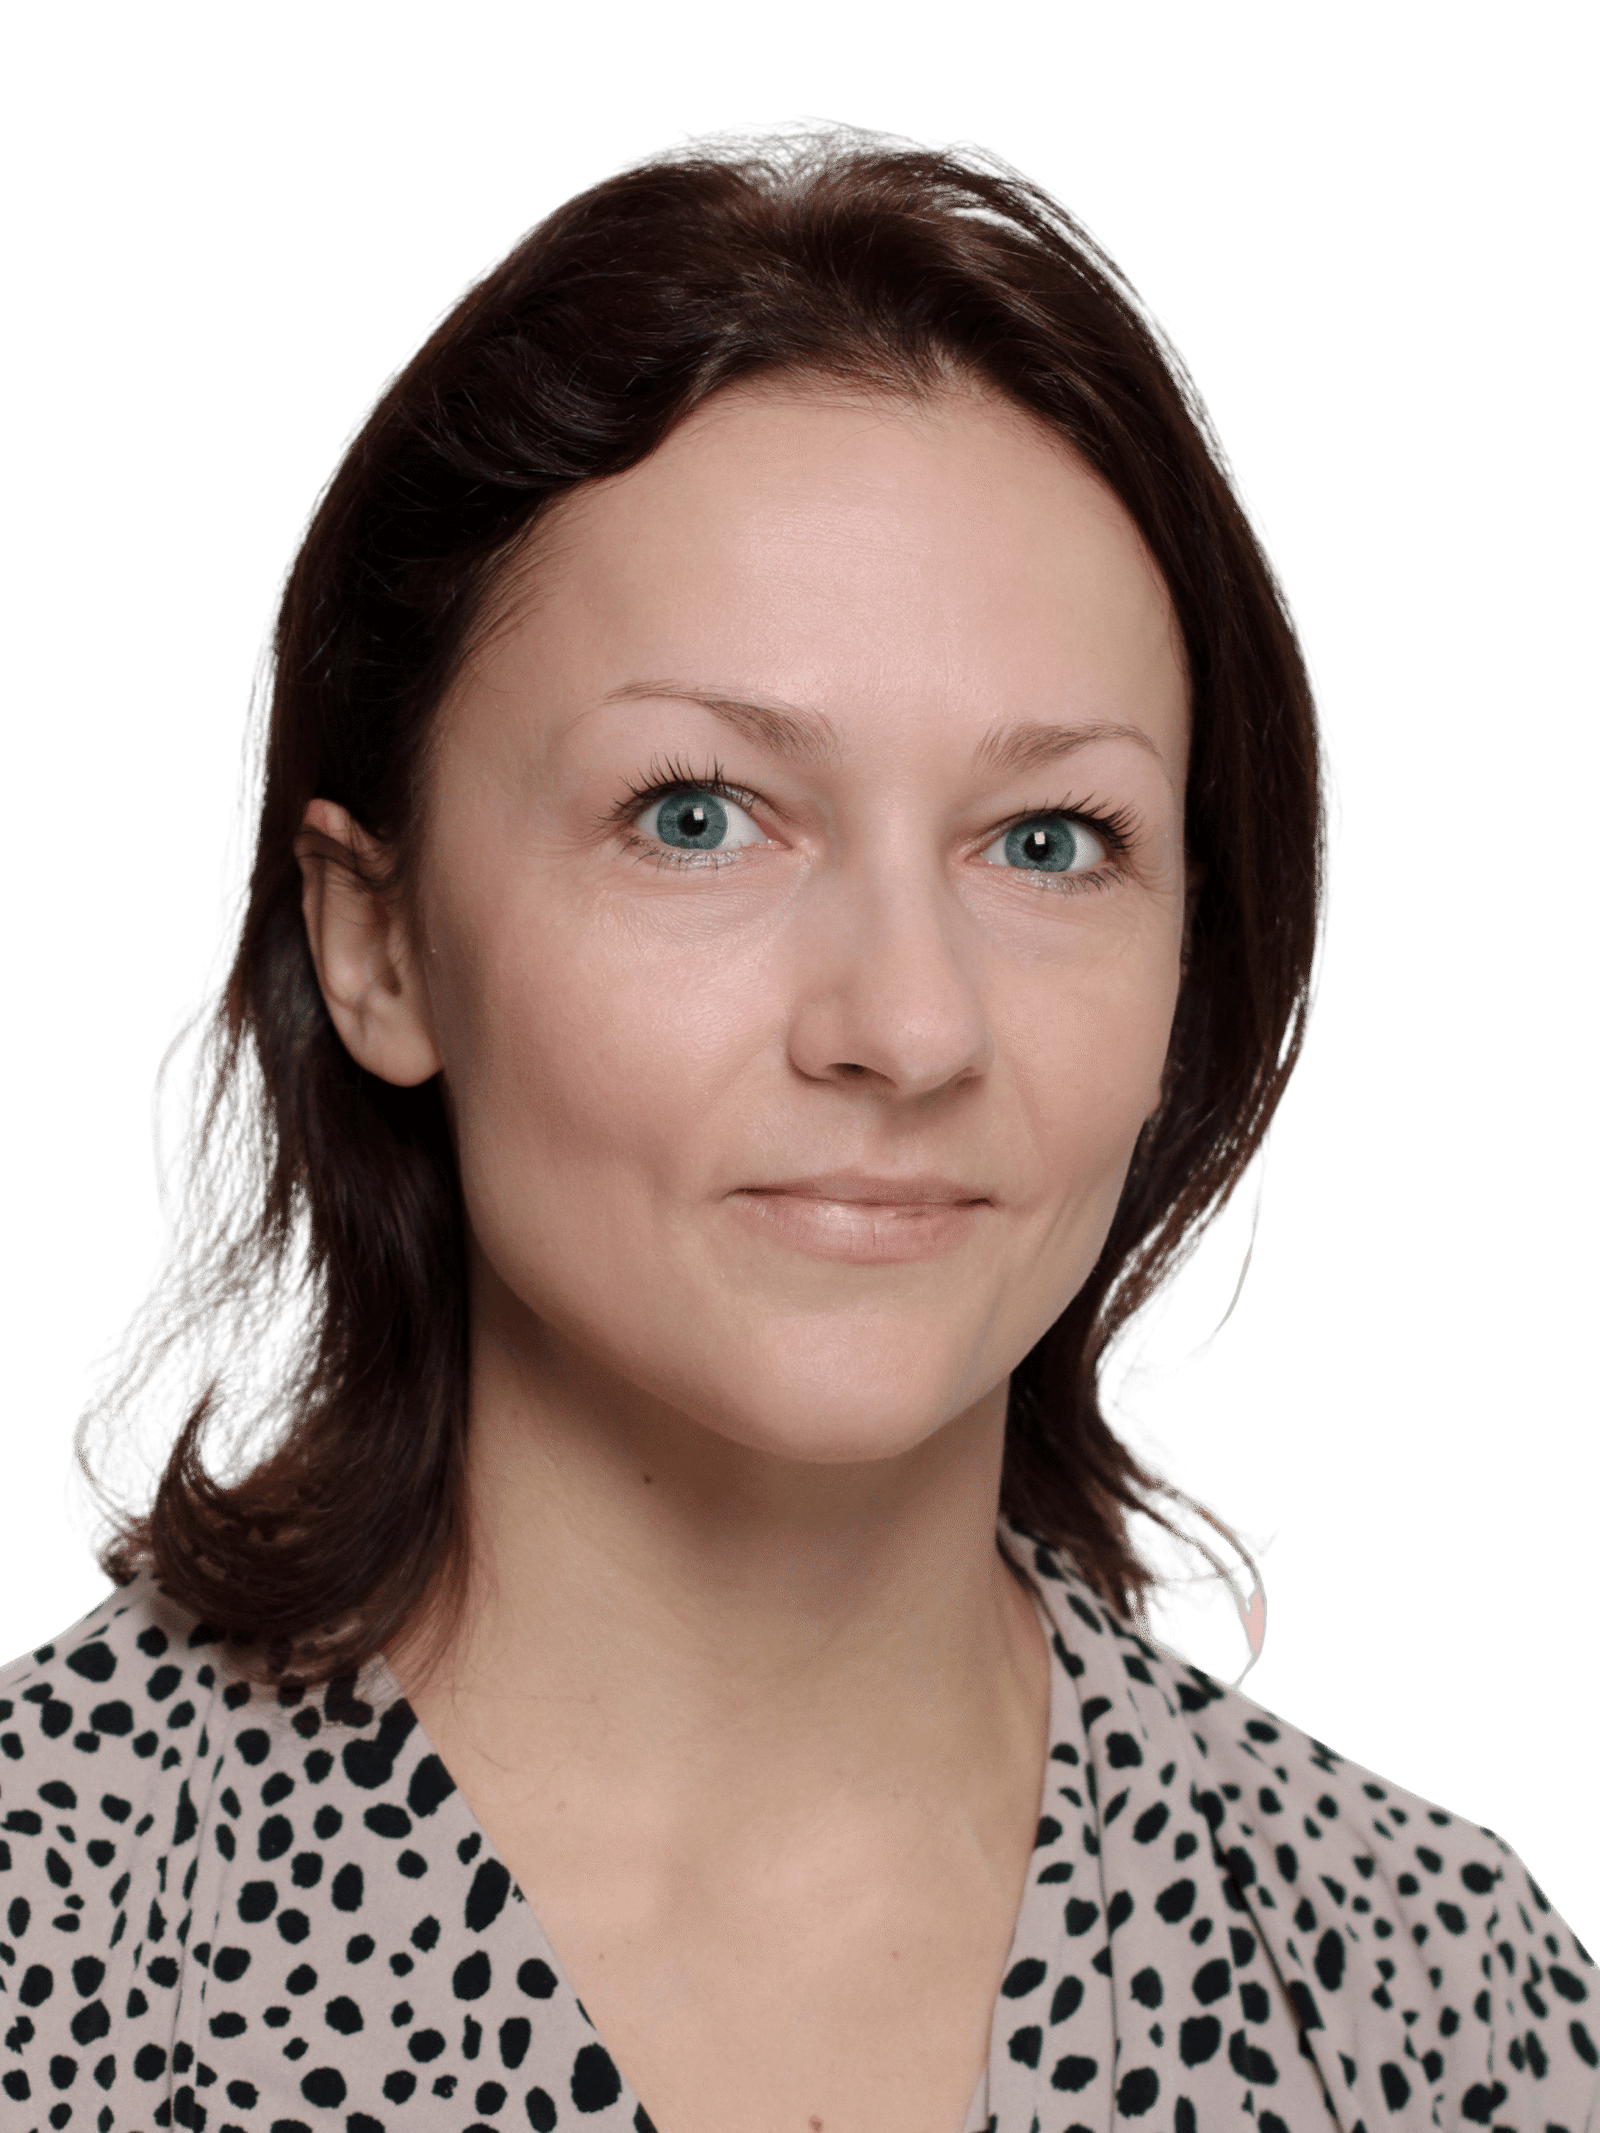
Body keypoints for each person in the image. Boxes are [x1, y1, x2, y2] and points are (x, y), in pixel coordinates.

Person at [1, 117, 1592, 2133]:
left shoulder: (1440, 2003)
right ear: (376, 942)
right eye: (696, 817)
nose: (908, 1025)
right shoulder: (49, 1932)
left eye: (1049, 839)